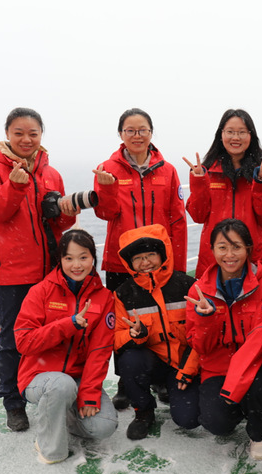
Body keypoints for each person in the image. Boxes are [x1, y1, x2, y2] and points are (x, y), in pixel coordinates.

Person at [0, 107, 78, 432]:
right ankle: (13, 402)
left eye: (33, 133)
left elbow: (60, 223)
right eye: (18, 133)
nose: (26, 139)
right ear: (7, 134)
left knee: (53, 335)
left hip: (50, 270)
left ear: (41, 135)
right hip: (12, 273)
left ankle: (52, 393)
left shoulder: (50, 173)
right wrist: (14, 186)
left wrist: (68, 211)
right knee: (13, 338)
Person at [92, 108, 187, 409]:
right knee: (123, 324)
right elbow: (105, 213)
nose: (137, 135)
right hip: (121, 263)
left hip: (159, 263)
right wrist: (106, 187)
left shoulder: (167, 170)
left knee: (160, 318)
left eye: (142, 129)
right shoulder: (108, 169)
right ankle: (126, 382)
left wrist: (176, 264)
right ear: (120, 134)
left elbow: (177, 218)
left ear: (151, 132)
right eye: (130, 130)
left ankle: (161, 377)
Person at [14, 229, 118, 464]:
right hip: (38, 377)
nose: (76, 265)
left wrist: (89, 394)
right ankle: (50, 449)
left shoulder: (104, 298)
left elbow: (100, 351)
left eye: (83, 257)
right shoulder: (40, 291)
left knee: (103, 427)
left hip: (78, 378)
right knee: (61, 385)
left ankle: (60, 416)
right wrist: (68, 325)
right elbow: (24, 342)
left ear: (93, 258)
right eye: (69, 258)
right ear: (60, 260)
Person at [185, 219, 262, 460]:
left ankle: (258, 432)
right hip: (217, 368)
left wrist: (236, 383)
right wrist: (205, 319)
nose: (229, 255)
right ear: (212, 250)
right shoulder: (199, 291)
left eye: (236, 247)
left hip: (260, 363)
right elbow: (199, 347)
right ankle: (240, 408)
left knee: (255, 387)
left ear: (248, 249)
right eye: (222, 247)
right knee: (216, 423)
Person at [113, 224, 200, 440]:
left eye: (151, 255)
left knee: (189, 419)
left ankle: (172, 388)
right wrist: (134, 335)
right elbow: (115, 338)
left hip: (183, 364)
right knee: (129, 360)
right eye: (138, 258)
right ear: (129, 263)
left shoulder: (188, 286)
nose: (145, 262)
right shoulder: (123, 294)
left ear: (163, 255)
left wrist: (188, 369)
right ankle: (143, 412)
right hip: (150, 361)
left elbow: (203, 334)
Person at [184, 109, 262, 278]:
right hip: (214, 259)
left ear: (251, 136)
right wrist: (199, 181)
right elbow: (198, 216)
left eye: (242, 132)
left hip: (253, 258)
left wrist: (261, 185)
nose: (235, 137)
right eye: (230, 132)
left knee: (255, 295)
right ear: (221, 135)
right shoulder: (207, 172)